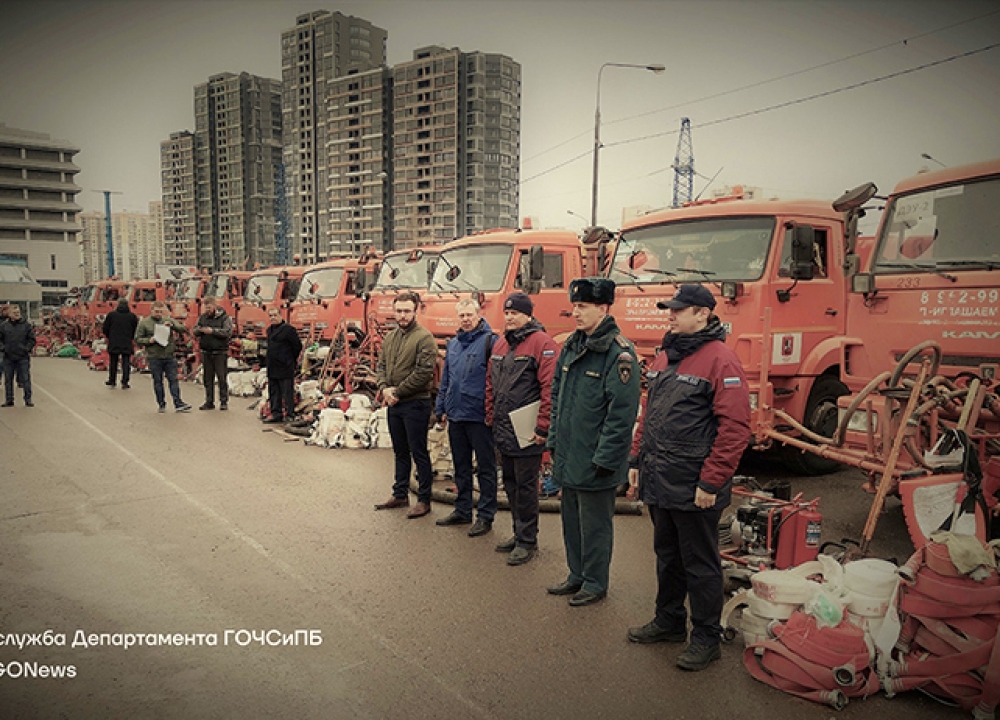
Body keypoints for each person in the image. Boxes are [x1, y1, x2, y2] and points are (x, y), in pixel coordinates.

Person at [627, 283, 750, 671]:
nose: (671, 314)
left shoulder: (721, 360)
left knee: (700, 563)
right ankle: (668, 621)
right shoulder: (666, 357)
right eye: (671, 309)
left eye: (679, 309)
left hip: (695, 484)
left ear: (703, 313)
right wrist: (635, 459)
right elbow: (649, 414)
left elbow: (734, 429)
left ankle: (706, 636)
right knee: (667, 557)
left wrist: (710, 482)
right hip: (660, 478)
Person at [546, 278, 640, 606]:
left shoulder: (619, 353)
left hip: (596, 460)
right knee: (571, 520)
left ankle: (596, 581)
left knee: (595, 527)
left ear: (603, 308)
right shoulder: (573, 345)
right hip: (570, 454)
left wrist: (606, 459)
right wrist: (554, 442)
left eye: (583, 307)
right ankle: (577, 574)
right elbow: (558, 396)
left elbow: (622, 414)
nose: (576, 313)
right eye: (575, 306)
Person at [485, 292, 558, 566]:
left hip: (527, 431)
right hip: (504, 428)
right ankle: (518, 534)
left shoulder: (542, 343)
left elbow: (550, 388)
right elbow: (490, 384)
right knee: (511, 484)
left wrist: (543, 427)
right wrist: (490, 416)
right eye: (507, 313)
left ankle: (528, 540)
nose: (509, 317)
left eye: (515, 313)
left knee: (526, 487)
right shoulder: (501, 344)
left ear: (528, 315)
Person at [434, 298, 498, 537]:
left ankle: (485, 515)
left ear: (479, 314)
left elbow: (495, 382)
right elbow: (446, 380)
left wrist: (492, 413)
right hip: (456, 414)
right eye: (461, 316)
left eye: (470, 315)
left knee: (485, 468)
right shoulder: (453, 345)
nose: (466, 319)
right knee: (460, 466)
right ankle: (462, 510)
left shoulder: (491, 342)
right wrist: (440, 408)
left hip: (479, 417)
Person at [374, 291, 437, 518]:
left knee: (418, 452)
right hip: (394, 404)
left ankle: (424, 499)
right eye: (399, 311)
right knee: (400, 451)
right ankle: (400, 493)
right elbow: (381, 366)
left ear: (416, 311)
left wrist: (397, 392)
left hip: (415, 404)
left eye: (407, 311)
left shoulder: (424, 338)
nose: (402, 315)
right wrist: (383, 388)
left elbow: (423, 373)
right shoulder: (391, 338)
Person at [134, 301, 192, 413]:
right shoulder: (144, 323)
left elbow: (182, 329)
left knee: (173, 380)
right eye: (156, 311)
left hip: (169, 356)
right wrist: (148, 341)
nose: (159, 314)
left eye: (161, 311)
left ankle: (178, 402)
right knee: (158, 381)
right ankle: (161, 403)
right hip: (155, 357)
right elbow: (138, 339)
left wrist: (173, 326)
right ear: (151, 310)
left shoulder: (168, 320)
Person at [263, 306, 303, 424]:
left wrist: (289, 359)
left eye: (275, 315)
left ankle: (290, 414)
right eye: (271, 316)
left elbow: (297, 346)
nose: (273, 318)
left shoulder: (289, 330)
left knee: (287, 392)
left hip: (285, 366)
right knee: (274, 391)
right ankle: (276, 413)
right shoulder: (269, 330)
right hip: (272, 366)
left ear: (281, 316)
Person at [193, 295, 233, 411]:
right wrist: (199, 330)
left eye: (209, 308)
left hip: (220, 352)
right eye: (206, 308)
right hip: (206, 352)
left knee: (221, 378)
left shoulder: (224, 318)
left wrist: (212, 331)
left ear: (215, 306)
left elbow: (227, 332)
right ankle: (209, 401)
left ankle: (224, 401)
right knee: (207, 378)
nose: (207, 310)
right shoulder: (202, 318)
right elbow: (194, 330)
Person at [0, 305, 35, 407]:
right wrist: (3, 349)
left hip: (22, 357)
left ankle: (28, 399)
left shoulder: (26, 326)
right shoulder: (3, 326)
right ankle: (9, 400)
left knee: (25, 379)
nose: (17, 314)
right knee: (8, 380)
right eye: (14, 313)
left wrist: (26, 349)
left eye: (18, 312)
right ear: (9, 314)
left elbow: (32, 339)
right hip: (8, 357)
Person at [102, 298, 139, 389]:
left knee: (113, 362)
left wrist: (109, 336)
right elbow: (136, 329)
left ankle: (112, 380)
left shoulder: (111, 315)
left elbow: (105, 328)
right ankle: (125, 382)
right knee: (126, 362)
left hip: (114, 341)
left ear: (118, 304)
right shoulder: (132, 316)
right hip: (127, 341)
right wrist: (131, 337)